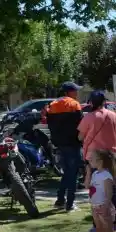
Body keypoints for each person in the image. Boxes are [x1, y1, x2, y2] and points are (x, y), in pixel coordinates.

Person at [79, 90, 116, 232]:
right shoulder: (113, 115)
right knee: (113, 189)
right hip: (112, 155)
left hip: (95, 159)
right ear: (104, 102)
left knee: (96, 191)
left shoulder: (88, 118)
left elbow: (81, 137)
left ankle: (97, 225)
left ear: (91, 103)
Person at [47, 82, 85, 212]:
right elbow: (81, 124)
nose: (77, 93)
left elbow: (50, 125)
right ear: (69, 92)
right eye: (75, 91)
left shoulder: (52, 105)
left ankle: (60, 200)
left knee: (67, 173)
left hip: (59, 144)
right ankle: (70, 204)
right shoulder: (74, 104)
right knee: (73, 174)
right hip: (73, 144)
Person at [87, 149, 115, 232]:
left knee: (109, 231)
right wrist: (88, 173)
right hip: (95, 206)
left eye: (92, 158)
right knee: (100, 231)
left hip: (104, 207)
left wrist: (106, 205)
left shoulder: (106, 175)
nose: (89, 160)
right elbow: (87, 186)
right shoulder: (95, 174)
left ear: (100, 161)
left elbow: (109, 193)